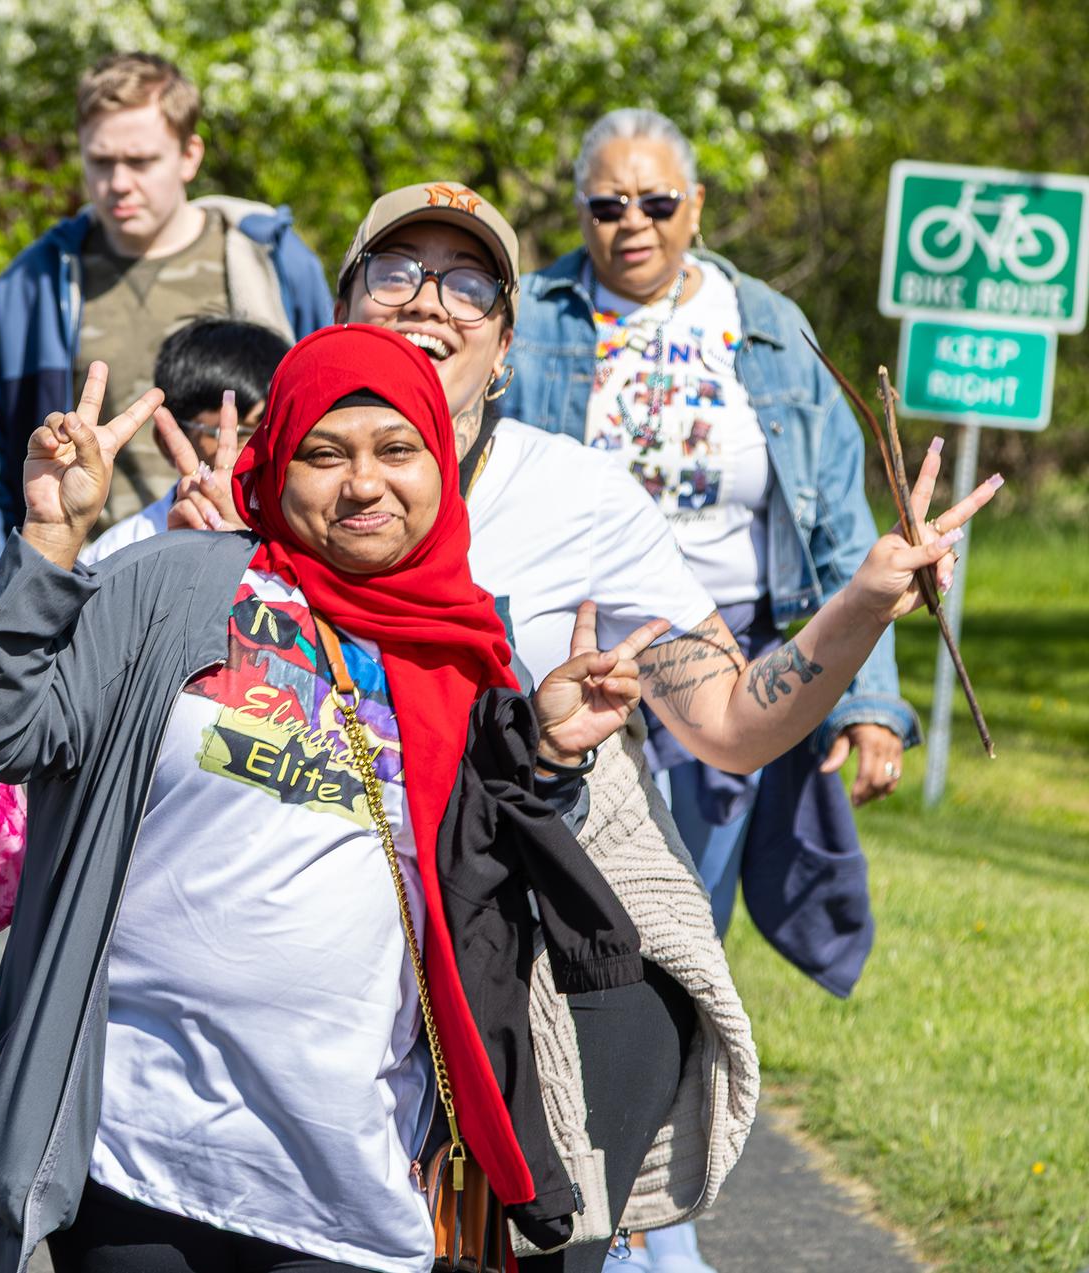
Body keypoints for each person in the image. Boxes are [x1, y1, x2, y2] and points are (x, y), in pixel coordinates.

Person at [177, 180, 997, 1269]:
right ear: (341, 311)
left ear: (508, 342)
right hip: (295, 1009)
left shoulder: (575, 498)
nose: (430, 301)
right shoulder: (257, 492)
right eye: (396, 271)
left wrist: (859, 605)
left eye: (468, 282)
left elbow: (728, 722)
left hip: (507, 982)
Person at [0, 325, 701, 1272]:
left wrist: (544, 757)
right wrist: (49, 543)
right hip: (133, 1150)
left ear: (440, 465)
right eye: (324, 454)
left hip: (347, 1169)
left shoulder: (471, 654)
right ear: (274, 462)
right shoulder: (175, 584)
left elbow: (483, 897)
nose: (364, 484)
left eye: (397, 450)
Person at [0, 50, 331, 583]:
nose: (119, 182)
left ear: (189, 155)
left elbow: (331, 429)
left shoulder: (274, 266)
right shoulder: (26, 291)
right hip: (80, 595)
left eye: (141, 161)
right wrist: (7, 599)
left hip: (251, 584)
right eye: (101, 162)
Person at [78, 316, 287, 563]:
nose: (256, 449)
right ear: (167, 445)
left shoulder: (311, 534)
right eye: (236, 433)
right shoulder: (118, 554)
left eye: (272, 430)